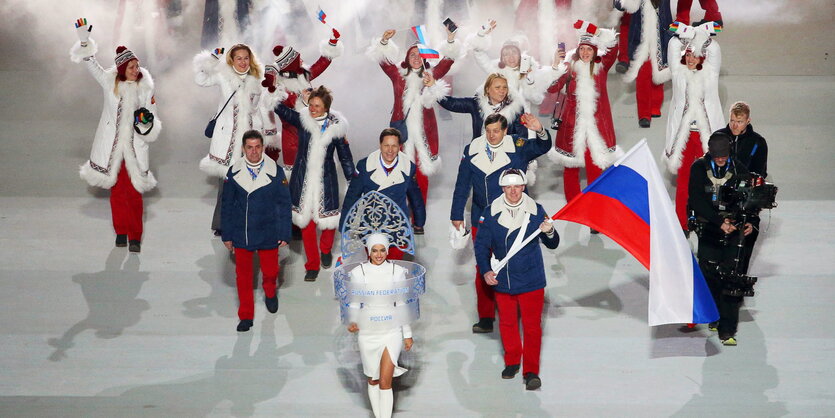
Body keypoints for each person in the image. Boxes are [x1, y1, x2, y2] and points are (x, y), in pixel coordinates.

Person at [450, 113, 552, 334]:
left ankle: (512, 307)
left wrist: (540, 129)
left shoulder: (518, 146)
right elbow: (462, 184)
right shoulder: (472, 149)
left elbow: (543, 147)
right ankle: (486, 316)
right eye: (488, 131)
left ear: (505, 131)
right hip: (482, 217)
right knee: (483, 267)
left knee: (514, 261)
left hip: (515, 219)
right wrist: (457, 213)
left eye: (496, 131)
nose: (492, 135)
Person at [70, 19, 162, 253]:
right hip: (112, 149)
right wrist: (84, 41)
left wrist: (146, 122)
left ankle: (135, 236)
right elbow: (91, 64)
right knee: (117, 193)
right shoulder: (109, 81)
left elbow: (152, 117)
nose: (136, 70)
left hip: (135, 148)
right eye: (131, 67)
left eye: (137, 66)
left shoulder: (146, 88)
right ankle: (120, 231)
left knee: (134, 194)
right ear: (122, 70)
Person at [474, 169, 560, 390]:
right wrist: (485, 270)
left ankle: (531, 371)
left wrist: (549, 231)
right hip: (503, 278)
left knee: (532, 327)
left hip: (531, 278)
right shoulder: (490, 212)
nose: (513, 191)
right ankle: (512, 361)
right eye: (508, 187)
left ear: (523, 186)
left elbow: (553, 243)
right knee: (507, 323)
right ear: (502, 188)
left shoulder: (536, 211)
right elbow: (481, 245)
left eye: (517, 186)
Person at [367, 27, 462, 204]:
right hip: (400, 132)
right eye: (412, 55)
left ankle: (419, 217)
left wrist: (450, 40)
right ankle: (399, 213)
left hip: (424, 132)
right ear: (406, 59)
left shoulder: (430, 74)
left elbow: (448, 61)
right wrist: (384, 42)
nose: (417, 58)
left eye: (420, 55)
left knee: (421, 174)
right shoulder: (398, 75)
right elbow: (383, 61)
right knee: (397, 172)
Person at [274, 86, 354, 281]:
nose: (312, 109)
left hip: (326, 181)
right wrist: (272, 93)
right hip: (303, 181)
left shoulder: (336, 128)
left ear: (326, 108)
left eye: (317, 106)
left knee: (328, 222)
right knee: (306, 224)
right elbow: (283, 111)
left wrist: (353, 177)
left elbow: (345, 157)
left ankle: (326, 249)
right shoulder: (303, 120)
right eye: (310, 105)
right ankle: (312, 265)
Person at [688, 133, 756, 346]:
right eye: (717, 155)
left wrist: (750, 220)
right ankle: (714, 315)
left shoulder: (738, 169)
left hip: (733, 226)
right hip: (709, 226)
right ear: (709, 152)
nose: (720, 159)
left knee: (730, 277)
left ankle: (728, 329)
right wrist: (719, 222)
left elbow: (751, 198)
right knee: (709, 273)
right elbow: (697, 200)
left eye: (724, 155)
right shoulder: (698, 168)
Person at [221, 130, 291, 332]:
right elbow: (227, 205)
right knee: (243, 276)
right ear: (243, 149)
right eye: (249, 147)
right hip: (242, 232)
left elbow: (284, 204)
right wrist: (227, 234)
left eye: (257, 147)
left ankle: (270, 291)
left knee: (270, 271)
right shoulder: (233, 172)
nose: (253, 151)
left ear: (263, 147)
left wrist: (284, 232)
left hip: (269, 231)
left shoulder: (276, 172)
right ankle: (245, 316)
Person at [194, 43, 265, 236]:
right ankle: (222, 224)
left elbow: (257, 109)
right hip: (226, 139)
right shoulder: (223, 76)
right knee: (225, 186)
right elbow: (200, 79)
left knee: (249, 184)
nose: (243, 62)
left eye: (246, 58)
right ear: (232, 61)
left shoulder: (257, 80)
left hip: (248, 140)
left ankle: (246, 222)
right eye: (239, 58)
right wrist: (211, 59)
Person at [546, 21, 620, 205]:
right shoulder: (569, 67)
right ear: (578, 50)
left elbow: (613, 45)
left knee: (595, 166)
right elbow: (551, 87)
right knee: (570, 169)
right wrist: (555, 65)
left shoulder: (602, 66)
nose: (585, 53)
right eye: (582, 49)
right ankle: (573, 205)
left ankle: (594, 207)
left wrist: (593, 29)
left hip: (596, 128)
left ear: (595, 51)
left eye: (589, 49)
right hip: (572, 126)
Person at [664, 22, 724, 231]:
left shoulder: (711, 73)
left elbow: (715, 50)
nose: (690, 58)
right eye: (688, 54)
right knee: (683, 182)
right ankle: (681, 223)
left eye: (694, 54)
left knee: (708, 183)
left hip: (706, 139)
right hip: (685, 137)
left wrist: (702, 37)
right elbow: (672, 46)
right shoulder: (678, 73)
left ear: (702, 56)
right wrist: (684, 36)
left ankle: (706, 222)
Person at [347, 233, 414, 418]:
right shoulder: (358, 272)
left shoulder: (397, 271)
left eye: (382, 250)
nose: (379, 254)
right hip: (368, 331)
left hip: (391, 330)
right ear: (368, 251)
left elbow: (401, 303)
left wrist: (407, 333)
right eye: (374, 250)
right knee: (373, 380)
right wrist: (353, 321)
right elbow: (354, 302)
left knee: (385, 382)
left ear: (387, 250)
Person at [261, 30, 343, 171]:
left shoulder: (302, 76)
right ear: (291, 65)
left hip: (314, 137)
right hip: (293, 142)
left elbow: (320, 65)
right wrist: (304, 102)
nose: (302, 61)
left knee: (317, 176)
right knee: (296, 180)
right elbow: (288, 118)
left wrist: (332, 42)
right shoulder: (282, 89)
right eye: (298, 60)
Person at [339, 128, 425, 259]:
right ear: (380, 145)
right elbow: (352, 196)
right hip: (371, 225)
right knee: (374, 268)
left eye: (394, 146)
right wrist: (344, 225)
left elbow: (415, 197)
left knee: (395, 268)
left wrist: (419, 221)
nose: (390, 150)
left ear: (399, 147)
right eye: (386, 145)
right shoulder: (364, 165)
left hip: (398, 226)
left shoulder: (408, 167)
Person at [466, 19, 565, 111]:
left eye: (514, 52)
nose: (511, 57)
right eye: (506, 54)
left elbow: (537, 98)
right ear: (502, 58)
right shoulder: (495, 70)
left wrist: (555, 64)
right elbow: (479, 53)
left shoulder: (529, 69)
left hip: (522, 120)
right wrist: (481, 34)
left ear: (520, 55)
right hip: (498, 118)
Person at [613, 0, 674, 128]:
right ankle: (644, 115)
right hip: (641, 43)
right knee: (642, 77)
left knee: (659, 73)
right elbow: (621, 5)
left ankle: (655, 106)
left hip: (661, 40)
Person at [716, 101, 768, 178]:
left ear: (748, 121)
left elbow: (760, 171)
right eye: (732, 120)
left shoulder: (758, 142)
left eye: (739, 122)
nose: (734, 126)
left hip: (746, 186)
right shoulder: (718, 137)